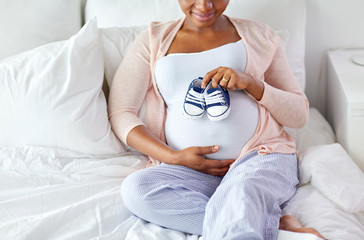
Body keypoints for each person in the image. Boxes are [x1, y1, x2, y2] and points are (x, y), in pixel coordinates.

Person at [108, 0, 325, 239]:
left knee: (243, 190)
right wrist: (173, 157)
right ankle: (274, 227)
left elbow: (299, 115)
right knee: (137, 189)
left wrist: (252, 84)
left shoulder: (260, 35)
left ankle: (246, 218)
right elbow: (121, 113)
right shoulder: (153, 40)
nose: (204, 5)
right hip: (189, 171)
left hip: (259, 158)